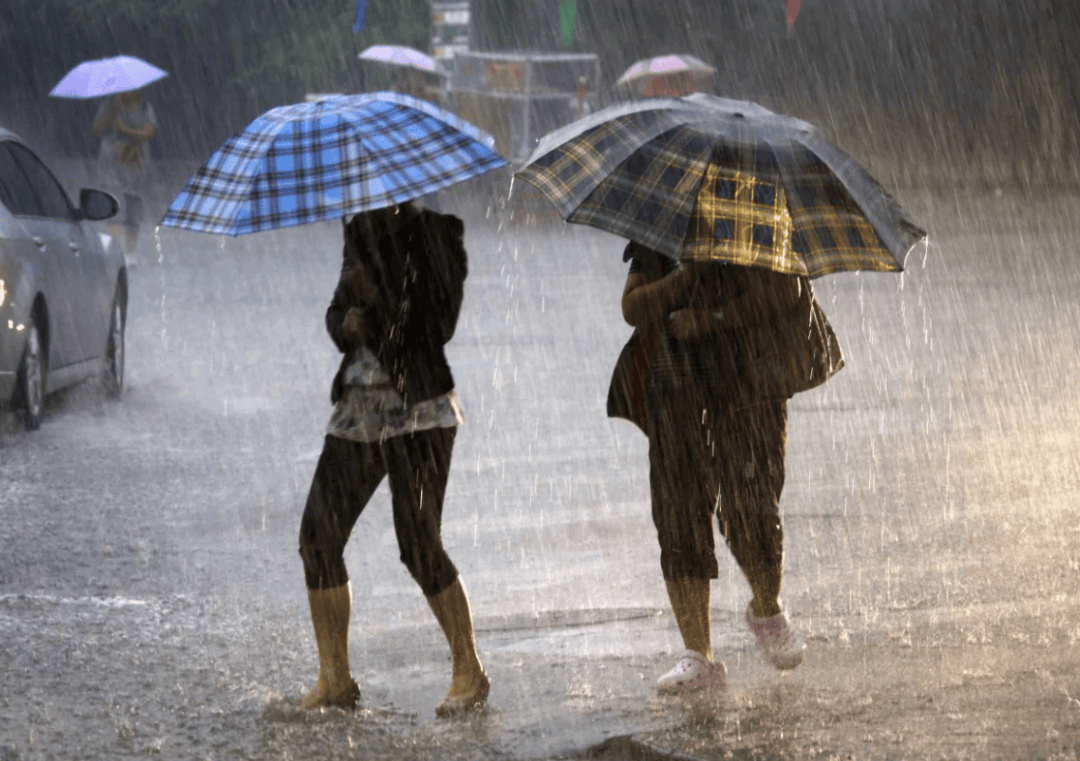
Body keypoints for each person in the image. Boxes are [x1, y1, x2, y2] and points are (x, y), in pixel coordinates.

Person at [610, 240, 829, 693]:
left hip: (753, 378)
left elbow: (788, 292)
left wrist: (713, 319)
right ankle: (698, 656)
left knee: (752, 504)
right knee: (678, 511)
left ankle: (767, 610)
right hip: (676, 383)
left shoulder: (761, 213)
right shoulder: (665, 219)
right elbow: (633, 307)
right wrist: (684, 278)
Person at [298, 201, 490, 716]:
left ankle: (468, 669)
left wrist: (376, 299)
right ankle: (335, 678)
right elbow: (338, 312)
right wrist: (349, 323)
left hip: (419, 409)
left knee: (418, 545)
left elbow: (439, 324)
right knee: (318, 537)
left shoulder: (438, 231)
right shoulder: (359, 228)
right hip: (359, 408)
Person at [92, 88, 156, 252]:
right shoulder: (108, 104)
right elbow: (97, 129)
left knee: (133, 205)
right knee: (113, 203)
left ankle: (129, 253)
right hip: (111, 160)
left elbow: (148, 133)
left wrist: (125, 129)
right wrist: (110, 114)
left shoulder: (144, 106)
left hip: (134, 161)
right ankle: (115, 249)